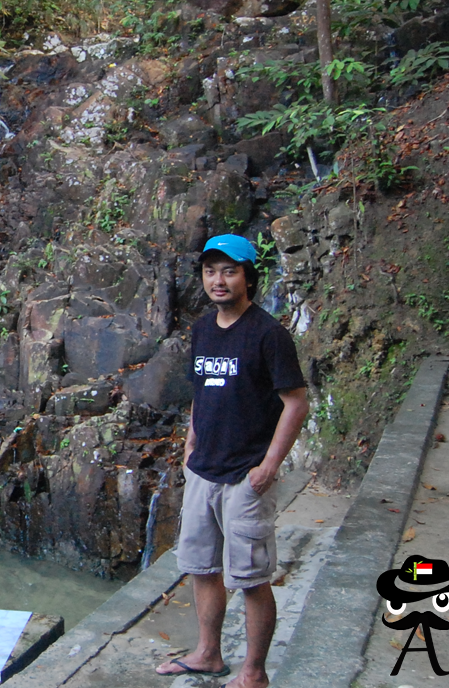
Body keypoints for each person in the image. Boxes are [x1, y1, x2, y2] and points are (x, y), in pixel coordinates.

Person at [155, 235, 308, 688]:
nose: (218, 280)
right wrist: (190, 444)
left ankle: (254, 673)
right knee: (202, 568)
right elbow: (202, 394)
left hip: (246, 476)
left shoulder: (268, 334)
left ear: (248, 277)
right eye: (210, 271)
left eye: (229, 271)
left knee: (252, 578)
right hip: (204, 469)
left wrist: (270, 465)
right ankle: (207, 654)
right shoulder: (202, 330)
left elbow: (295, 403)